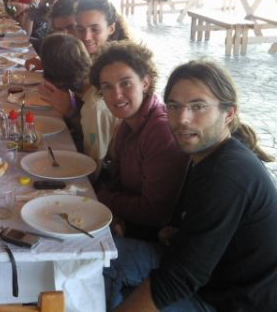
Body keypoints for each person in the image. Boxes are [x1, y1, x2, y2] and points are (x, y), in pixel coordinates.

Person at [106, 60, 277, 311]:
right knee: (95, 256)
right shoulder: (207, 155)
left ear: (228, 114)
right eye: (174, 106)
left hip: (230, 301)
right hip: (210, 277)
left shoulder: (226, 174)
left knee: (100, 275)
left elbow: (179, 279)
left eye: (198, 106)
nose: (182, 119)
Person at [89, 42, 189, 240]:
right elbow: (116, 179)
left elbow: (155, 213)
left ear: (145, 82)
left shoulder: (160, 131)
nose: (116, 95)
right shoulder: (127, 124)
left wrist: (97, 197)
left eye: (125, 83)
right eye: (107, 87)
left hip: (154, 240)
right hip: (128, 223)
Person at [40, 33, 119, 161]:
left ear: (56, 77)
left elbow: (94, 163)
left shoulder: (94, 105)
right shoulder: (86, 84)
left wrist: (69, 112)